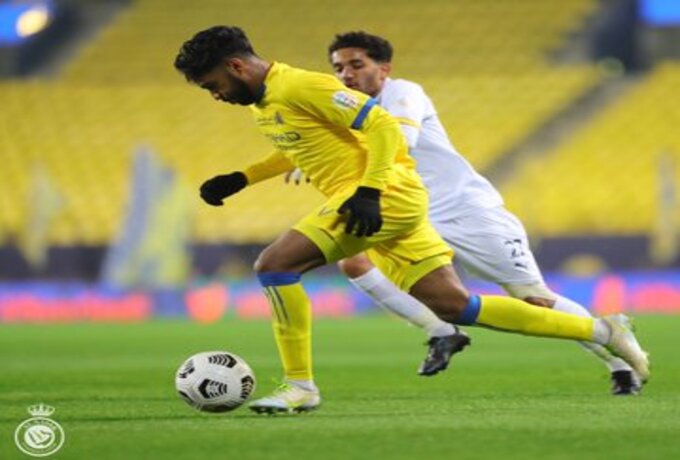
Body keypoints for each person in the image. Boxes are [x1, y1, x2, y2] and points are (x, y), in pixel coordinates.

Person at [173, 26, 649, 414]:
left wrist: (368, 190)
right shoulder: (267, 102)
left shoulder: (302, 84)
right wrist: (241, 177)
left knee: (274, 265)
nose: (215, 95)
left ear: (236, 66)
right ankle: (603, 332)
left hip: (396, 199)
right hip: (401, 202)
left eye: (213, 84)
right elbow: (296, 146)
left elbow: (382, 127)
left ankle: (300, 386)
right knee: (455, 306)